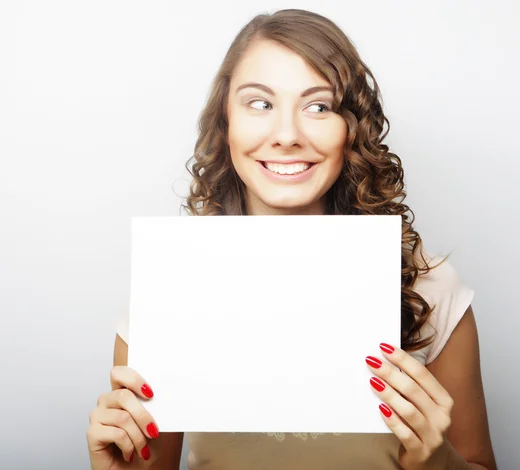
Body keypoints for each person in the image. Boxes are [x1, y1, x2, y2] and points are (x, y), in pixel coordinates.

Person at [86, 8, 497, 470]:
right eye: (260, 103)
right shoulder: (167, 289)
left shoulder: (429, 286)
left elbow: (480, 463)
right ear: (226, 122)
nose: (286, 135)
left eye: (318, 106)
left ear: (351, 128)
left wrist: (437, 460)